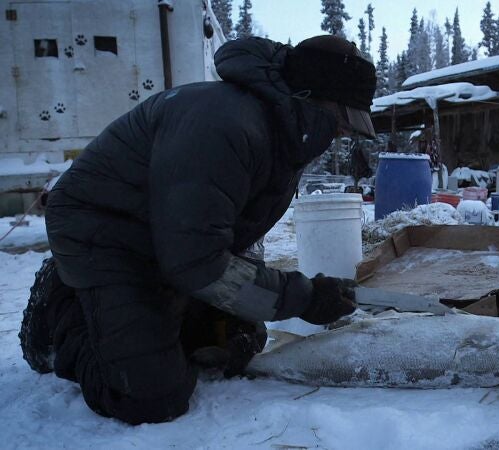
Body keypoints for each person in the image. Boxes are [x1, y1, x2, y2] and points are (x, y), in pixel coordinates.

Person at [18, 35, 377, 425]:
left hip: (167, 243)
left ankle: (137, 319)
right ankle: (63, 311)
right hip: (104, 236)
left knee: (235, 342)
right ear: (309, 97)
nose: (342, 135)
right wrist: (302, 297)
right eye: (342, 121)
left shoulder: (280, 133)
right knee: (151, 395)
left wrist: (278, 293)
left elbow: (226, 232)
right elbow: (196, 262)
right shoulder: (224, 125)